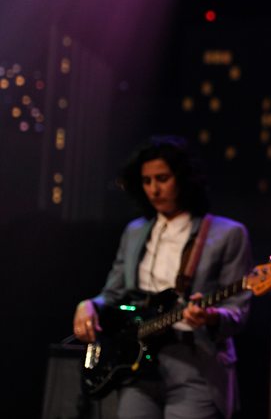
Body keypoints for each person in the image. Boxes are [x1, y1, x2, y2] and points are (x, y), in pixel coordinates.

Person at [72, 136, 254, 419]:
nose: (154, 189)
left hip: (195, 363)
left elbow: (238, 313)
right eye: (146, 181)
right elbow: (113, 292)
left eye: (162, 178)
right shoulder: (135, 231)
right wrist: (89, 304)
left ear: (183, 179)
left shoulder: (228, 234)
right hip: (137, 365)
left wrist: (211, 316)